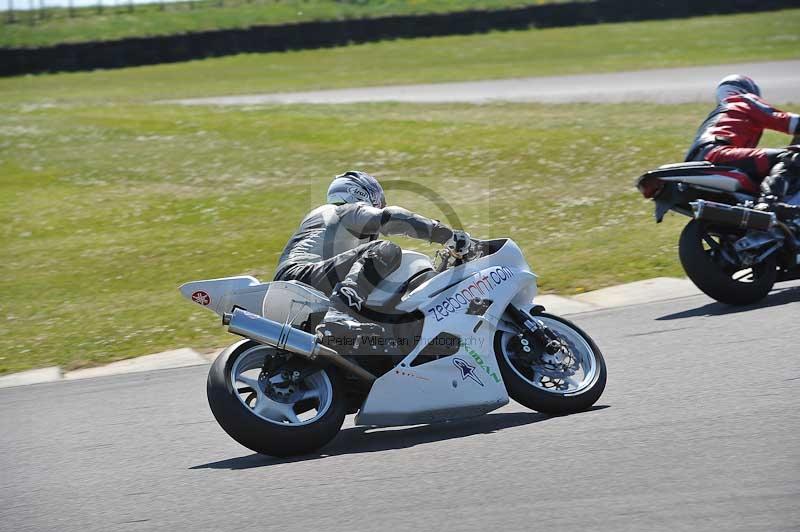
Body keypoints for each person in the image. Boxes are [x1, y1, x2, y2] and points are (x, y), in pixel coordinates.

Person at [273, 170, 471, 335]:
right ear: (362, 194)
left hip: (300, 279)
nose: (380, 205)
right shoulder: (343, 210)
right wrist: (445, 234)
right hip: (299, 275)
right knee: (386, 249)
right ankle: (340, 313)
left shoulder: (330, 221)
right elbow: (390, 218)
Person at [685, 74, 800, 218]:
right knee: (789, 157)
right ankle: (769, 202)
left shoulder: (722, 113)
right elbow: (786, 121)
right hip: (719, 154)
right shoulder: (742, 100)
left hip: (705, 158)